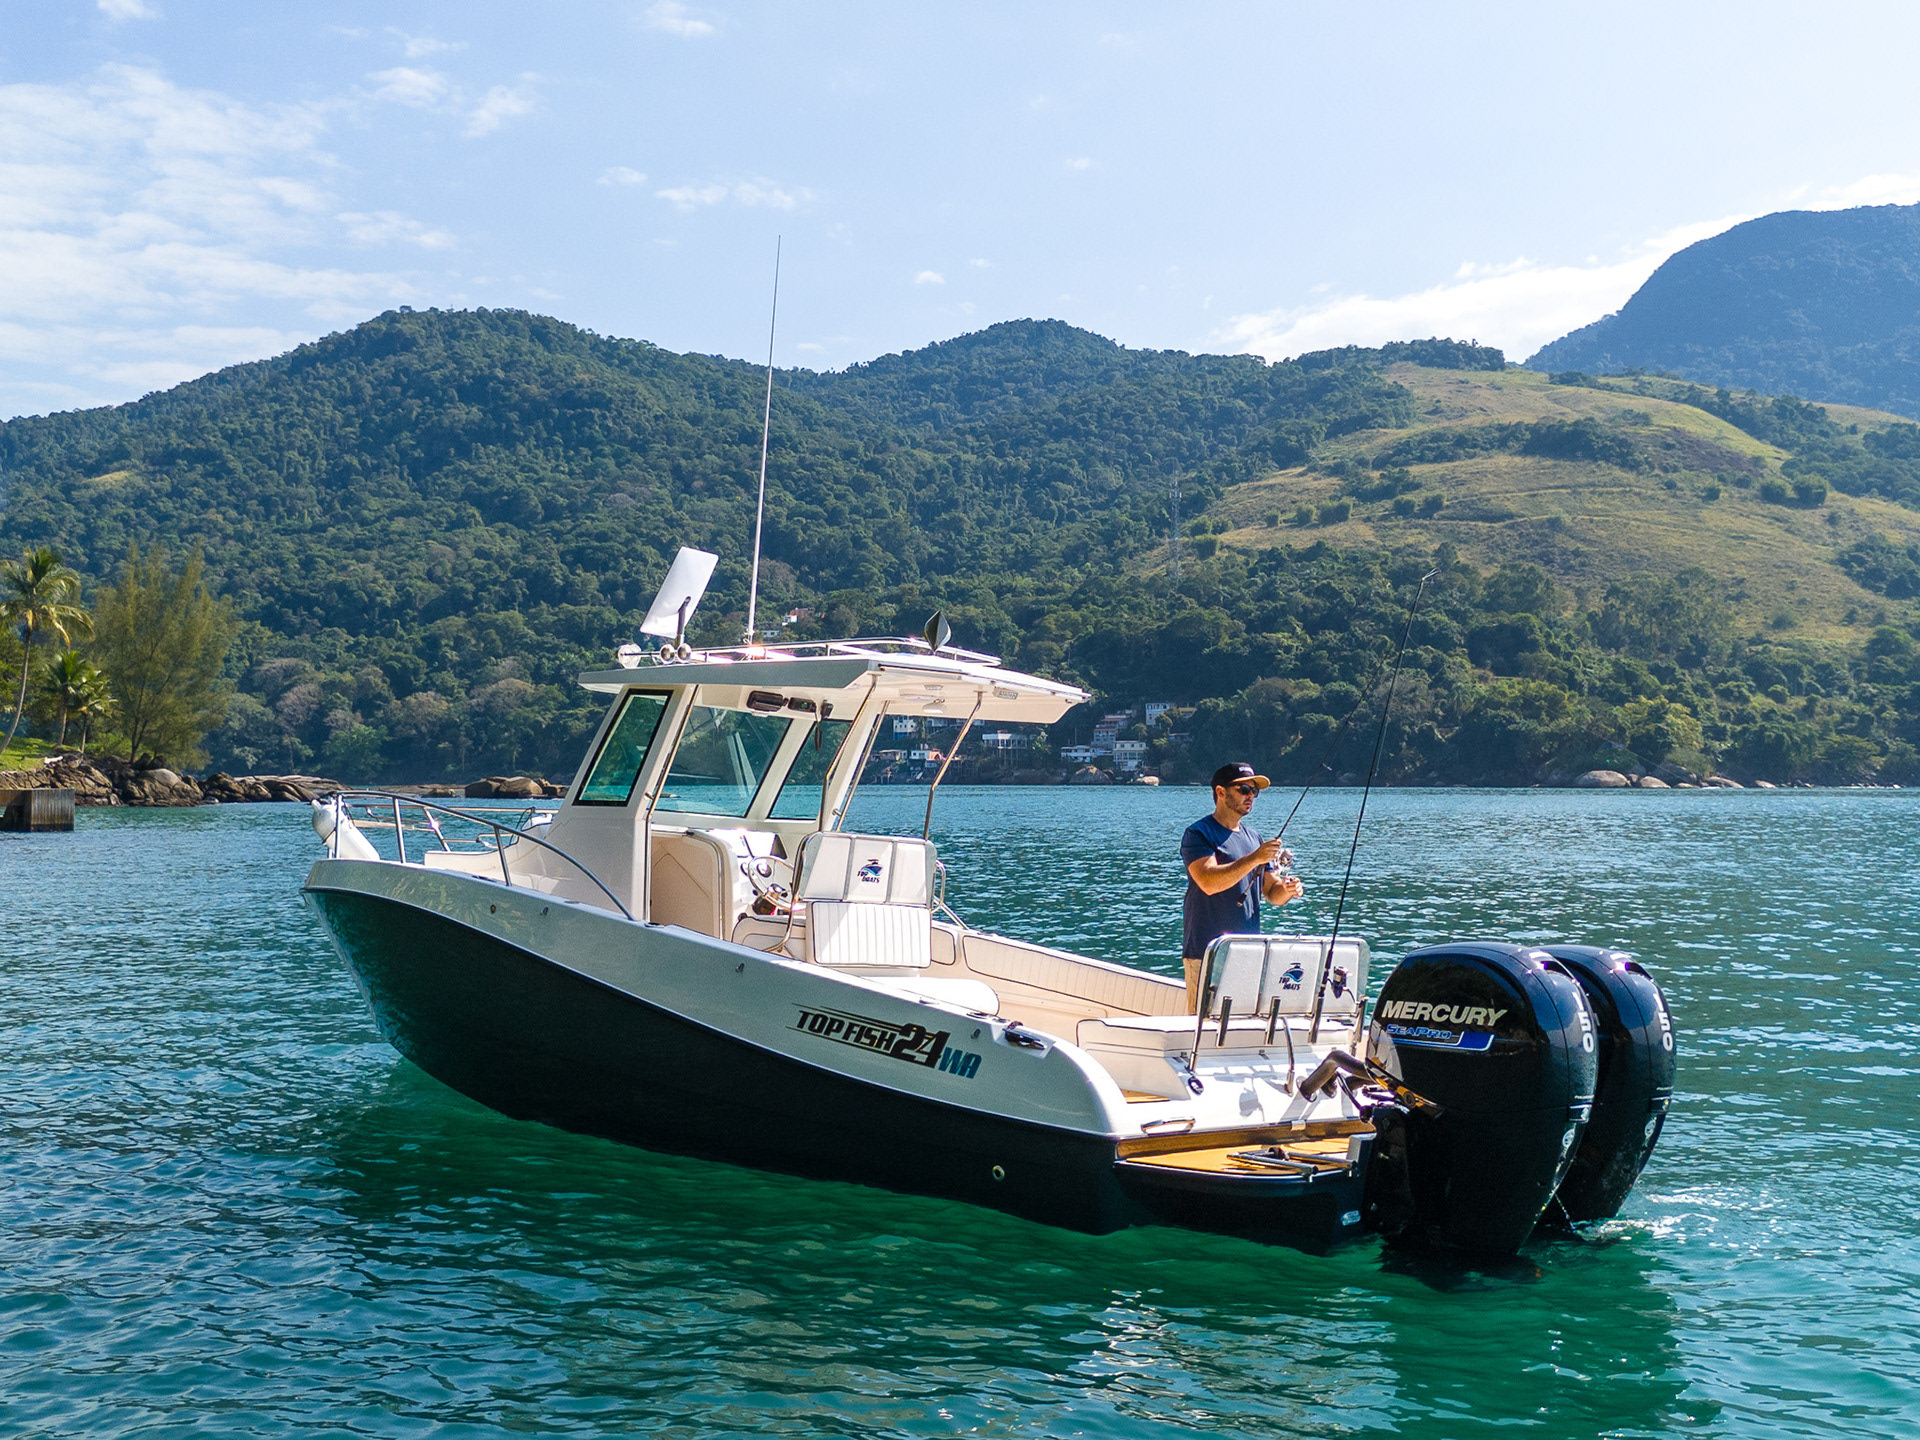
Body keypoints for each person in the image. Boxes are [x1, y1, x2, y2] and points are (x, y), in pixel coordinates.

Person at [1180, 762, 1305, 1013]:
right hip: (1207, 951)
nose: (1251, 796)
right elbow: (1207, 881)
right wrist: (1254, 858)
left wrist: (1288, 889)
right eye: (1244, 790)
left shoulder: (1254, 838)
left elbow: (1272, 893)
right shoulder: (1198, 834)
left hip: (1248, 951)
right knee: (1204, 1027)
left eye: (1254, 791)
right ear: (1221, 792)